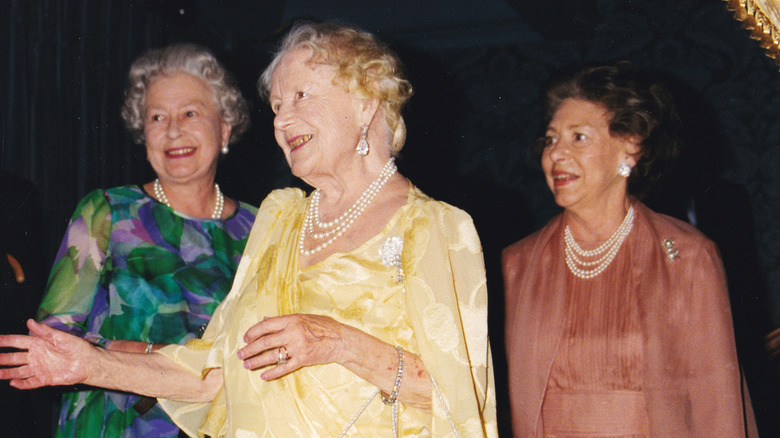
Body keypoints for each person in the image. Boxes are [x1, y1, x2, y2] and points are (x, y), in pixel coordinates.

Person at [0, 22, 498, 437]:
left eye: (300, 95)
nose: (282, 120)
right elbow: (212, 372)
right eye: (277, 106)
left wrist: (338, 342)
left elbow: (464, 400)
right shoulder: (281, 219)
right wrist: (90, 365)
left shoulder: (435, 227)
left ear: (367, 100)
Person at [502, 60, 757, 437]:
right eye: (551, 139)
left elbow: (717, 405)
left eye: (578, 137)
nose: (556, 154)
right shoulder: (519, 264)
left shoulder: (687, 257)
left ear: (630, 149)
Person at [33, 43, 258, 437]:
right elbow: (51, 342)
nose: (173, 130)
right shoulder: (107, 210)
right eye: (157, 117)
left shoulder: (260, 228)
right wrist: (155, 357)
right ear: (143, 133)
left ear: (224, 127)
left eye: (190, 113)